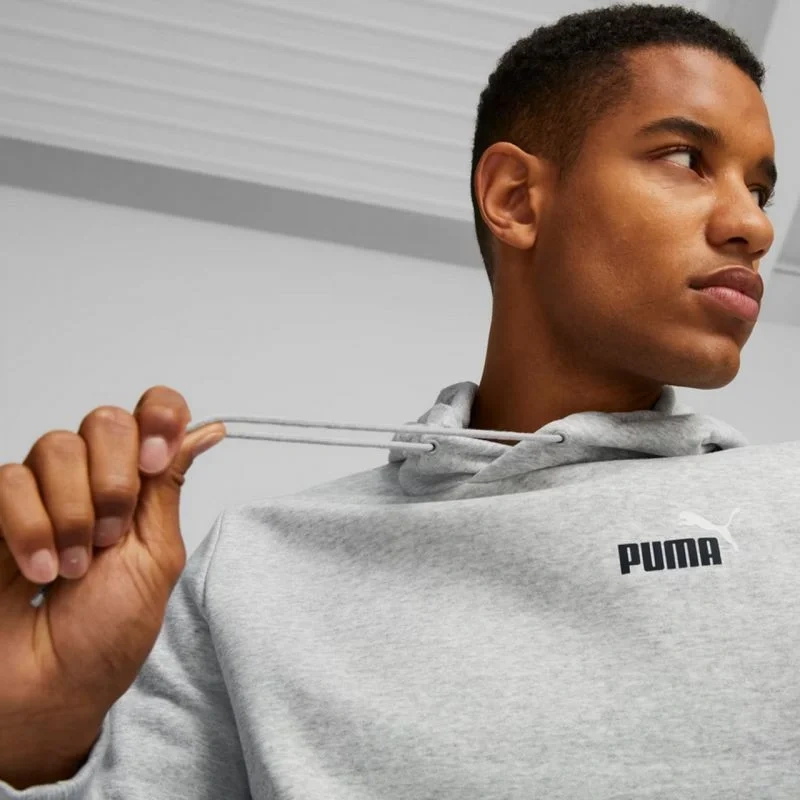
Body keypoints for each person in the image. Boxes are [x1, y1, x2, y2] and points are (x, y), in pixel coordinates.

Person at [0, 3, 795, 798]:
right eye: (687, 158)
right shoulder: (254, 567)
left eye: (758, 190)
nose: (753, 226)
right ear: (516, 198)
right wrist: (37, 740)